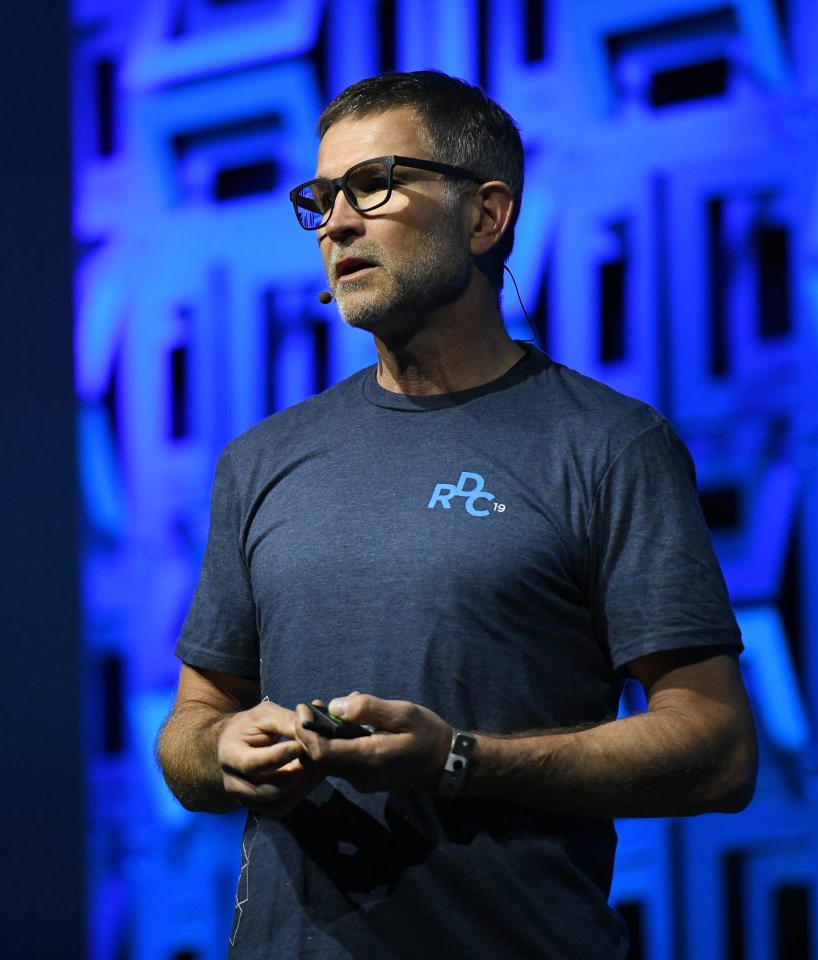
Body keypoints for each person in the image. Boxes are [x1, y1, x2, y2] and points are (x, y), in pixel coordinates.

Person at [156, 70, 757, 959]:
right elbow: (191, 725)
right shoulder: (261, 460)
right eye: (321, 199)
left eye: (375, 185)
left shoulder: (609, 446)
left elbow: (719, 749)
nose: (336, 224)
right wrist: (222, 752)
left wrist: (458, 760)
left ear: (486, 216)